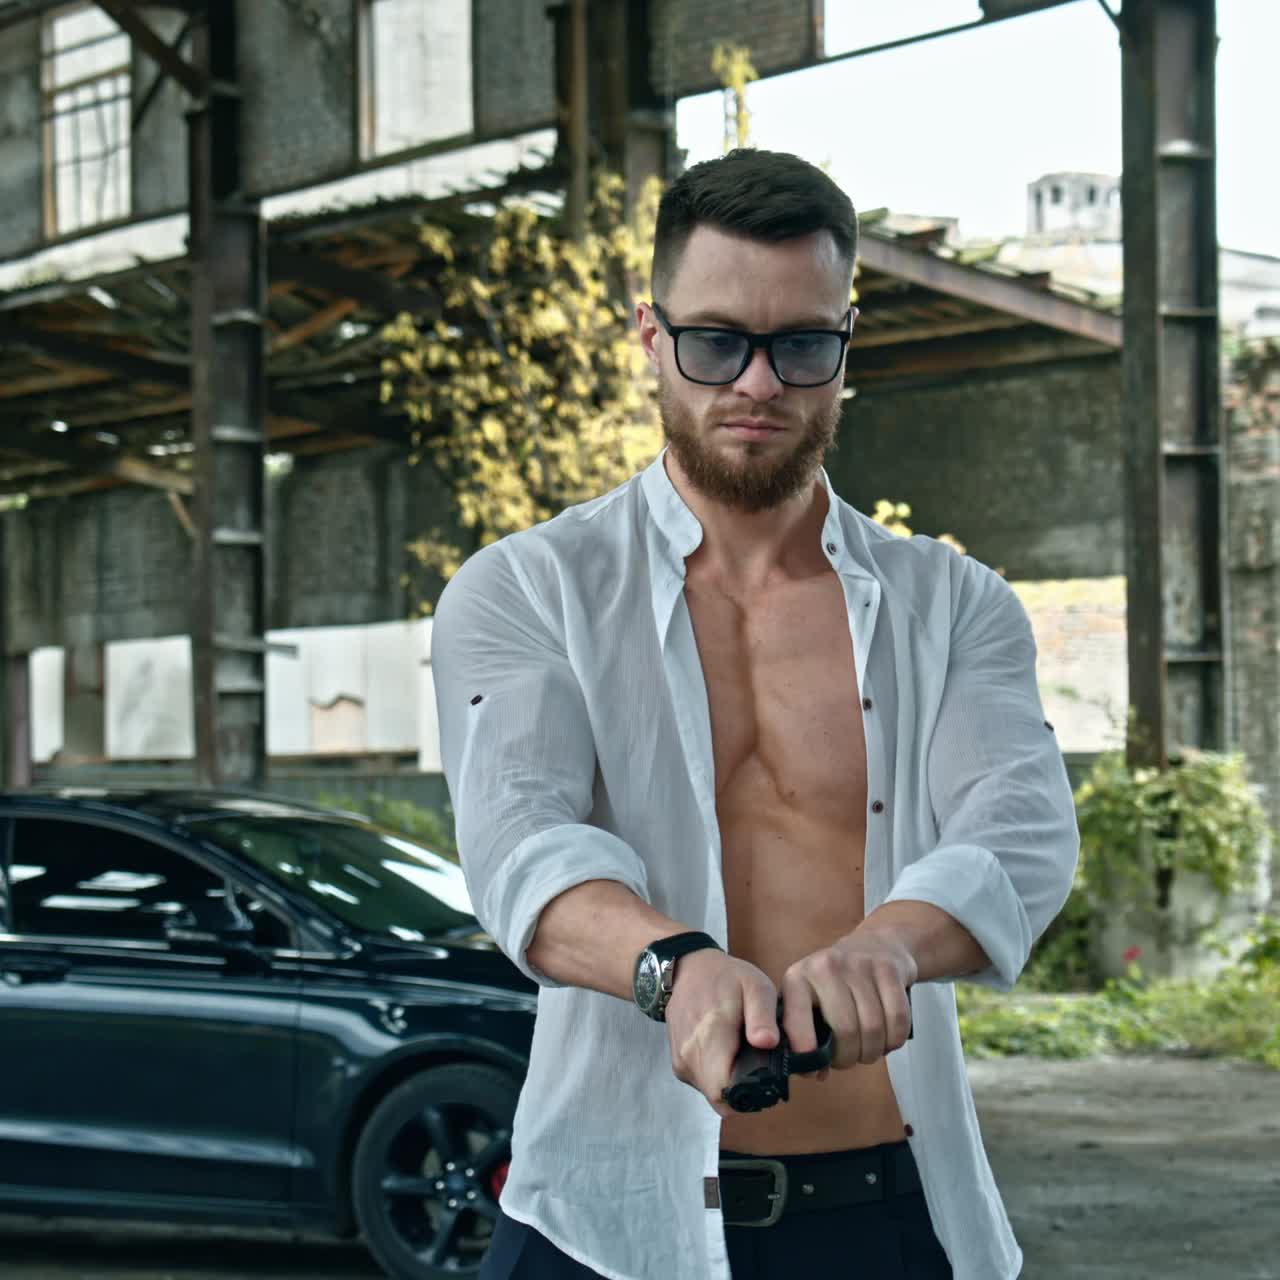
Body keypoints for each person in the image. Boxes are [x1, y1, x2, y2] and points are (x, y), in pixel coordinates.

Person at [433, 148, 1079, 1280]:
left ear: (845, 345)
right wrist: (670, 967)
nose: (757, 384)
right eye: (716, 340)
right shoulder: (524, 587)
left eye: (799, 345)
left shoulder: (953, 601)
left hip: (883, 1212)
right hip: (600, 1217)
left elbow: (1017, 832)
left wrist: (888, 940)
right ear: (649, 335)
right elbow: (518, 843)